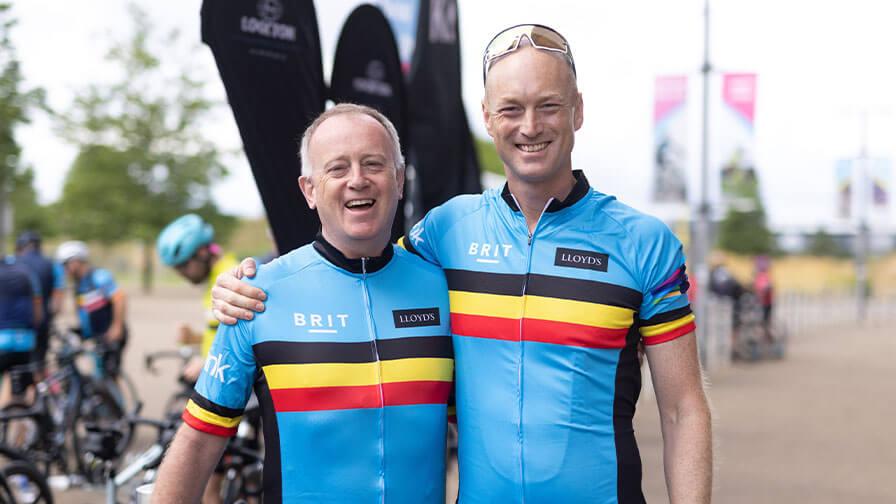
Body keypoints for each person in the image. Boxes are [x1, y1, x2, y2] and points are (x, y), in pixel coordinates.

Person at [212, 24, 712, 503]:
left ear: (577, 111)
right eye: (512, 109)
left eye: (549, 106)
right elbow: (354, 266)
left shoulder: (644, 243)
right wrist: (247, 281)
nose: (530, 126)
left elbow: (683, 409)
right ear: (489, 118)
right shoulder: (448, 230)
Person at [152, 104, 453, 503]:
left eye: (373, 164)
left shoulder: (446, 289)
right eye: (337, 168)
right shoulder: (257, 296)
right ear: (309, 189)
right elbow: (201, 437)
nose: (357, 180)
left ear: (398, 179)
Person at [156, 214, 239, 382]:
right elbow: (223, 333)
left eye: (184, 265)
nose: (182, 274)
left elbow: (245, 340)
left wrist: (207, 360)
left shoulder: (231, 278)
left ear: (202, 252)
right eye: (176, 269)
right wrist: (194, 337)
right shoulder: (214, 279)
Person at [55, 241, 128, 377]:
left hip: (109, 334)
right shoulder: (78, 283)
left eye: (66, 264)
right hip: (95, 334)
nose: (64, 269)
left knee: (108, 376)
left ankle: (117, 397)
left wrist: (116, 327)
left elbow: (120, 299)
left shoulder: (99, 276)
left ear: (77, 261)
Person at [14, 231, 66, 374]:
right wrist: (50, 318)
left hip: (13, 326)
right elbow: (57, 302)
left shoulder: (12, 262)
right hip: (41, 324)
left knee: (15, 371)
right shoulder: (53, 265)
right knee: (39, 366)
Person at [0, 256, 43, 403]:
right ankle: (23, 421)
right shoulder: (26, 272)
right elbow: (37, 304)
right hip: (25, 339)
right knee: (21, 391)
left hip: (2, 340)